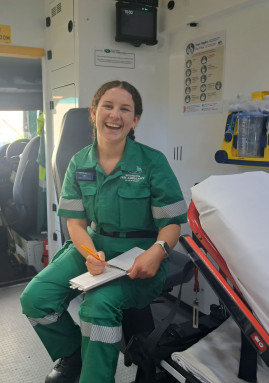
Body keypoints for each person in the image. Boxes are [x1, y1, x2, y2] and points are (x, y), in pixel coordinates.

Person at [20, 80, 188, 383]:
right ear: (94, 113)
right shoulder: (79, 162)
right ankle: (74, 355)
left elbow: (172, 224)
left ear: (135, 120)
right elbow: (76, 223)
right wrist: (89, 254)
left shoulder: (152, 162)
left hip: (141, 253)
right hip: (92, 245)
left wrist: (158, 252)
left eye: (125, 109)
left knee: (98, 306)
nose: (115, 115)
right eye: (108, 106)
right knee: (36, 297)